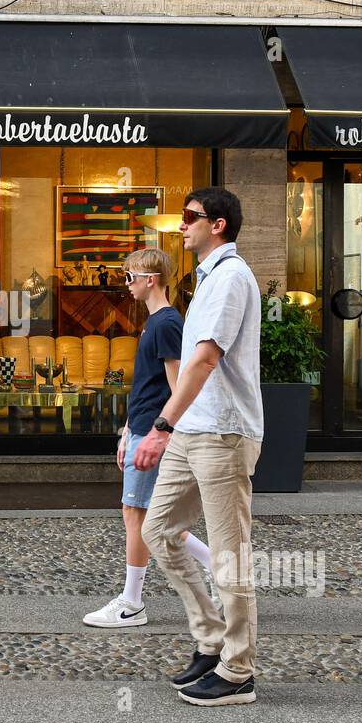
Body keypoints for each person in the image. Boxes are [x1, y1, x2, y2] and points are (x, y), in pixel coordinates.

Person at [135, 186, 264, 706]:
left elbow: (206, 359)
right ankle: (211, 641)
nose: (181, 225)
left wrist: (159, 427)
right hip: (194, 428)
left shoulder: (231, 277)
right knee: (159, 530)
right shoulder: (206, 277)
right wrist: (167, 426)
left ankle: (238, 672)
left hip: (223, 432)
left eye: (191, 217)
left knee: (230, 556)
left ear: (219, 226)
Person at [83, 247, 212, 628]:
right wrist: (128, 430)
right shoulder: (156, 322)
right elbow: (146, 385)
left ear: (150, 279)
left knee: (138, 514)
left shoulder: (167, 323)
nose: (126, 285)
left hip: (154, 432)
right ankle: (223, 573)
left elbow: (178, 385)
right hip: (142, 429)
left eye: (130, 277)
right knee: (156, 517)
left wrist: (163, 433)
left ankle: (132, 602)